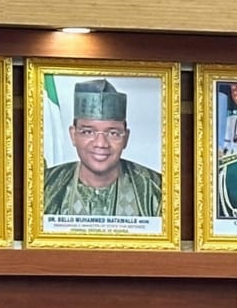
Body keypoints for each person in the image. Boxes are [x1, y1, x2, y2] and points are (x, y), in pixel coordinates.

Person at [43, 77, 165, 217]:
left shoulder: (157, 191)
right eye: (88, 132)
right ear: (73, 135)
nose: (101, 144)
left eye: (113, 133)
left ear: (125, 138)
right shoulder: (45, 187)